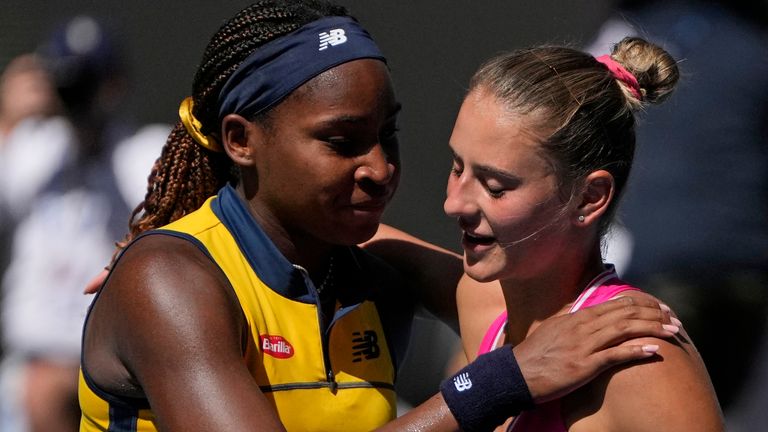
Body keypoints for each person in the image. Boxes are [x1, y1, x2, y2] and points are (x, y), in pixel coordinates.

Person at [79, 2, 679, 431]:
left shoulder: (374, 270)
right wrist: (499, 382)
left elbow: (541, 306)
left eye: (386, 135)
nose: (380, 168)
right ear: (240, 140)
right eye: (342, 142)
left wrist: (620, 319)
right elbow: (522, 357)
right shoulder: (170, 279)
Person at [425, 37, 723, 430]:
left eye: (495, 186)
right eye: (457, 167)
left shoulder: (642, 360)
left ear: (588, 197)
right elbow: (369, 241)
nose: (454, 204)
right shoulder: (483, 300)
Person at [0, 16, 167, 432]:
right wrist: (6, 121)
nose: (78, 94)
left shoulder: (141, 152)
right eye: (67, 79)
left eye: (87, 80)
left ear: (115, 84)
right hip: (29, 372)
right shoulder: (29, 149)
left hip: (112, 372)